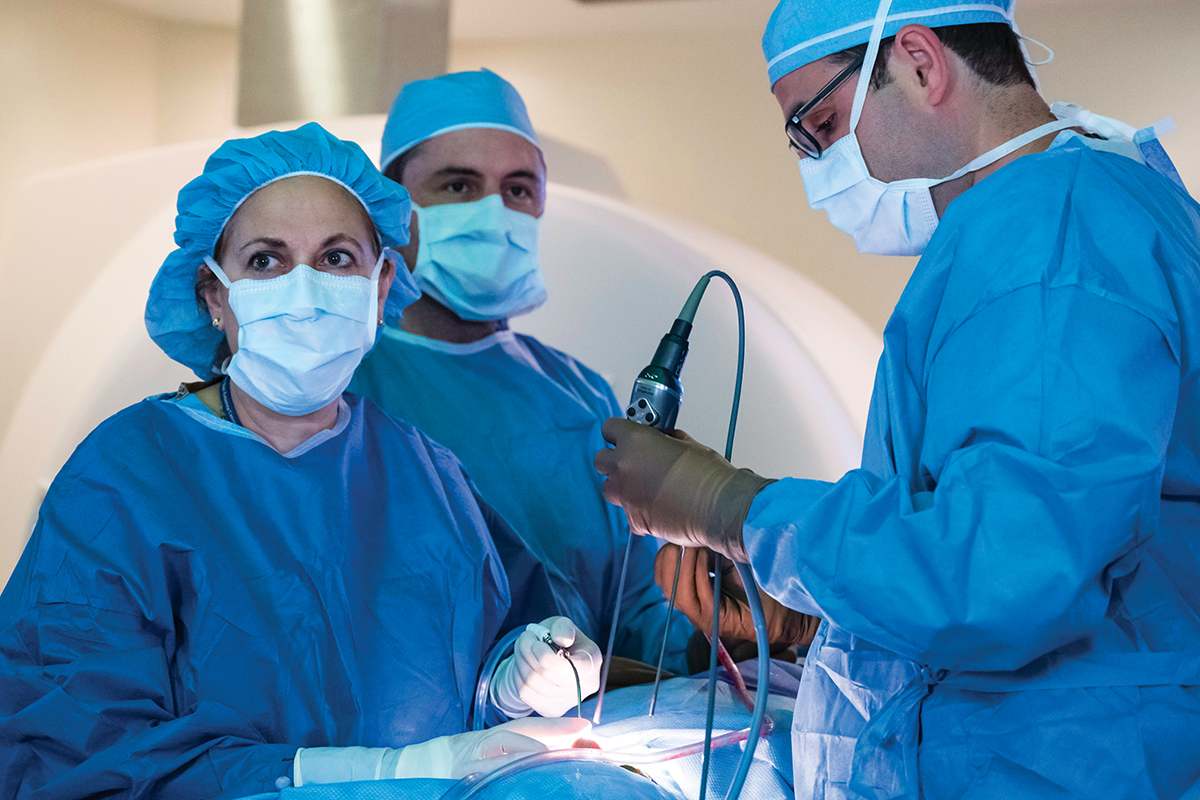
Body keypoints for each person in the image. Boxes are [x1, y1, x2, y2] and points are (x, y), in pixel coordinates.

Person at [595, 0, 1200, 797]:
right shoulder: (1061, 221)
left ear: (919, 60)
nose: (815, 167)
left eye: (819, 124)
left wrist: (733, 508)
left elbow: (1000, 574)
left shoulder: (1054, 237)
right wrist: (810, 620)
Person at [0, 123, 601, 799]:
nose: (307, 287)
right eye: (266, 261)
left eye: (337, 258)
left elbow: (471, 680)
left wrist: (513, 683)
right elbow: (80, 752)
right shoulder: (126, 477)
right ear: (215, 295)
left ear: (379, 289)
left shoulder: (425, 471)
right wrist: (363, 775)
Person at [349, 69, 693, 673]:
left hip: (591, 736)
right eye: (458, 186)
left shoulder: (579, 392)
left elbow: (637, 600)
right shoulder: (345, 387)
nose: (494, 212)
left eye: (517, 189)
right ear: (391, 206)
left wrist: (713, 640)